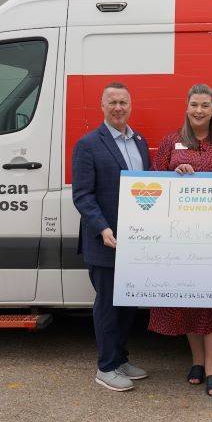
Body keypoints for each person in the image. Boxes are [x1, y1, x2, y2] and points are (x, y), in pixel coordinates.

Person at [149, 83, 212, 397]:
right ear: (187, 107)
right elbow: (152, 184)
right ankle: (197, 361)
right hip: (183, 240)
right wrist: (173, 175)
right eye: (194, 105)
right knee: (189, 300)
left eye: (205, 105)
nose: (199, 110)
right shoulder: (170, 141)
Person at [72, 82, 152, 392]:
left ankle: (120, 359)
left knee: (127, 304)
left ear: (131, 105)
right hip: (105, 241)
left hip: (134, 242)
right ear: (102, 107)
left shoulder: (140, 141)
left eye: (123, 102)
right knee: (107, 305)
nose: (118, 107)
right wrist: (103, 228)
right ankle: (105, 367)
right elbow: (83, 195)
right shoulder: (89, 144)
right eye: (113, 102)